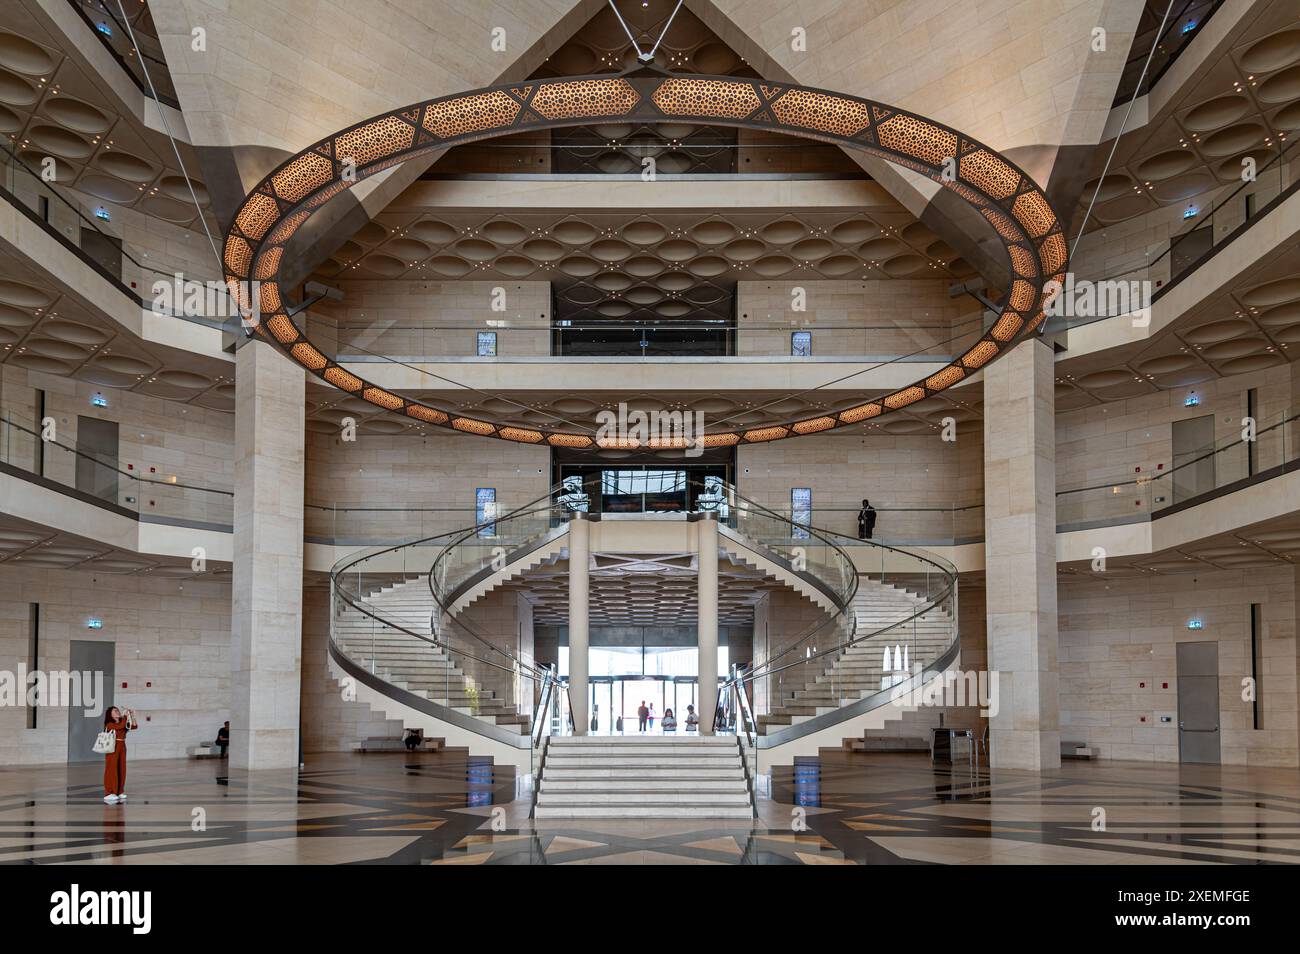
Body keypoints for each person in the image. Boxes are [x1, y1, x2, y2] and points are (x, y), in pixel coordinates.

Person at [102, 705, 138, 804]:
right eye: (115, 711)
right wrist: (125, 716)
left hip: (122, 746)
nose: (117, 711)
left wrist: (132, 715)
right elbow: (120, 726)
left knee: (122, 769)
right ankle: (109, 793)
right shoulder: (109, 724)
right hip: (112, 747)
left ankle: (119, 791)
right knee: (111, 769)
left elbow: (134, 726)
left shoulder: (122, 721)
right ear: (110, 714)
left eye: (118, 710)